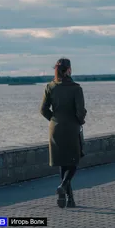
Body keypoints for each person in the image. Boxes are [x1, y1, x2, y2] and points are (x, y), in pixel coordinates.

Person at [40, 58, 87, 208]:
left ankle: (69, 200)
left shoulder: (50, 86)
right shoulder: (76, 88)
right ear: (69, 70)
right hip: (71, 128)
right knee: (73, 162)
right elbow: (80, 111)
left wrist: (54, 119)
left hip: (55, 128)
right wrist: (80, 120)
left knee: (62, 163)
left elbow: (43, 109)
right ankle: (63, 186)